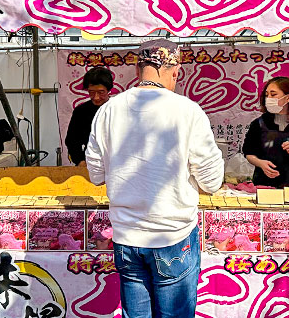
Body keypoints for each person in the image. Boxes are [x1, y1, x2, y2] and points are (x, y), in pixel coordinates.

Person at [85, 39, 224, 318]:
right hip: (172, 235)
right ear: (175, 71)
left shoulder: (108, 110)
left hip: (126, 237)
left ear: (138, 70)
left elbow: (96, 174)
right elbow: (211, 182)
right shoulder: (188, 111)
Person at [65, 67, 113, 166]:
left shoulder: (118, 109)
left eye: (101, 92)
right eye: (91, 92)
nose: (96, 97)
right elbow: (72, 140)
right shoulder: (81, 111)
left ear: (108, 90)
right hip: (90, 164)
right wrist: (80, 160)